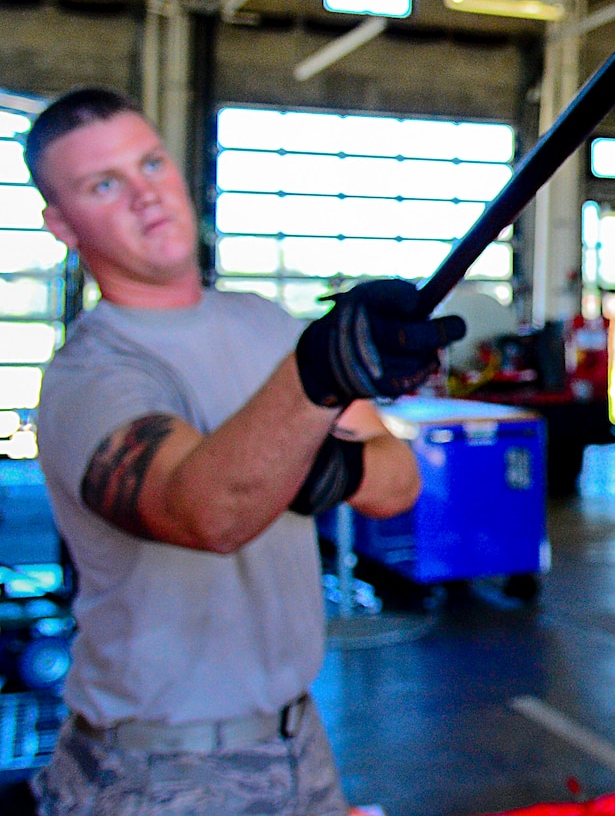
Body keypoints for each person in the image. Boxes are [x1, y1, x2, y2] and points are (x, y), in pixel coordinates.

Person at [24, 88, 464, 816]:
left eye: (151, 163)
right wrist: (320, 374)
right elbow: (203, 512)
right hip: (159, 768)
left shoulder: (263, 323)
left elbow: (396, 480)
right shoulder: (89, 375)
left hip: (300, 741)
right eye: (105, 184)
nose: (147, 196)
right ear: (63, 224)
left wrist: (328, 468)